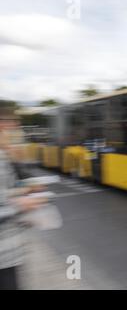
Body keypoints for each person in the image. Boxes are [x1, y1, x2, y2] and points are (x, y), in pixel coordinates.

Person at [0, 104, 46, 290]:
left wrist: (24, 190)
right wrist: (22, 205)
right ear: (3, 127)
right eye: (14, 126)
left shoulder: (5, 155)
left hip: (9, 251)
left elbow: (6, 190)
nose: (17, 131)